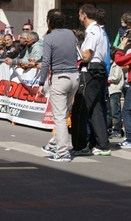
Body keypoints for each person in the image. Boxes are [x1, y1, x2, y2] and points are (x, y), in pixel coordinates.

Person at [38, 9, 79, 162]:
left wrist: (41, 83)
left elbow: (45, 63)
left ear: (48, 22)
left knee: (60, 117)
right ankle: (54, 143)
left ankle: (62, 152)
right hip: (74, 77)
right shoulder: (70, 33)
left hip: (60, 78)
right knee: (65, 112)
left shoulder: (49, 38)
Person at [71, 4, 110, 156]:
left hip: (90, 72)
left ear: (84, 15)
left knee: (80, 109)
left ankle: (80, 146)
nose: (79, 17)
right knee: (95, 109)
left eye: (79, 14)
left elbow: (86, 56)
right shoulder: (98, 30)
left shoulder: (92, 31)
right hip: (95, 73)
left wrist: (75, 47)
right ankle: (102, 144)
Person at [107, 47, 124, 139]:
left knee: (115, 111)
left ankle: (117, 130)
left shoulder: (117, 64)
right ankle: (109, 128)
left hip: (115, 90)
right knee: (109, 111)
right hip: (110, 90)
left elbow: (116, 77)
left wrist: (108, 80)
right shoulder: (110, 64)